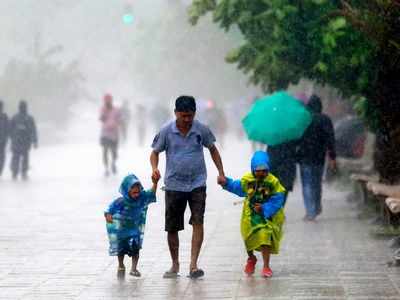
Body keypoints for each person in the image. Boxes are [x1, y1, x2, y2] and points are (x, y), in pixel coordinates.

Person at [150, 95, 225, 279]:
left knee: (198, 221)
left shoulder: (202, 130)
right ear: (175, 113)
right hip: (174, 184)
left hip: (197, 183)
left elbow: (213, 150)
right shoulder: (166, 131)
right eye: (183, 116)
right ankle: (175, 264)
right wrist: (154, 168)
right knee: (172, 227)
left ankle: (193, 264)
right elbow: (154, 153)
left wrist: (221, 172)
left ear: (194, 113)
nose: (186, 120)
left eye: (190, 116)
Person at [218, 151, 285, 278]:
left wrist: (265, 208)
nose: (261, 173)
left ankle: (266, 266)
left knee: (265, 237)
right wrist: (225, 182)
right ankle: (251, 258)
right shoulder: (247, 180)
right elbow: (236, 187)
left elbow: (278, 198)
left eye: (264, 170)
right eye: (258, 170)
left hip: (266, 217)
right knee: (248, 238)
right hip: (249, 217)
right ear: (253, 169)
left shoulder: (273, 182)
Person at [104, 173, 159, 277]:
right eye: (134, 192)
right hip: (122, 231)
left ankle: (133, 268)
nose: (136, 195)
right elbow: (109, 208)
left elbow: (151, 193)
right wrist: (108, 215)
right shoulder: (121, 201)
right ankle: (121, 265)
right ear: (126, 190)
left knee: (135, 248)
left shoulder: (141, 198)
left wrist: (155, 183)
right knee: (121, 250)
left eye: (138, 192)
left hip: (135, 230)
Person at [297, 94, 337, 221]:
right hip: (319, 158)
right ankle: (317, 206)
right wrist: (332, 156)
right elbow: (331, 139)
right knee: (316, 183)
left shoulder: (303, 119)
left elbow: (296, 138)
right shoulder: (325, 119)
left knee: (307, 185)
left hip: (304, 158)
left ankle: (310, 211)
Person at [9, 100, 38, 180]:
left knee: (21, 157)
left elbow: (33, 130)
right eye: (22, 107)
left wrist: (35, 141)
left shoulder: (27, 118)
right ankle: (16, 172)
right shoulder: (16, 118)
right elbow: (10, 129)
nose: (23, 108)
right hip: (19, 142)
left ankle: (21, 172)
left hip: (22, 142)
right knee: (18, 157)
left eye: (23, 107)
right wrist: (34, 141)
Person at [267, 140, 298, 205]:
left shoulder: (272, 140)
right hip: (287, 169)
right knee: (284, 190)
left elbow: (269, 158)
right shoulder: (291, 138)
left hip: (275, 169)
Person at [100, 93, 121, 176]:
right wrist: (104, 113)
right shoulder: (102, 109)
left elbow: (120, 119)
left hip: (114, 134)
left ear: (111, 101)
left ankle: (113, 163)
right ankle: (106, 168)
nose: (107, 102)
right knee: (105, 151)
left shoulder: (116, 110)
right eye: (106, 101)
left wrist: (116, 124)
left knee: (114, 152)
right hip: (105, 134)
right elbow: (101, 119)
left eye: (108, 100)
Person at [0, 100, 9, 177]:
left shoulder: (5, 117)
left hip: (2, 141)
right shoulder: (4, 117)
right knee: (2, 156)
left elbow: (8, 128)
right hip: (3, 140)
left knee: (2, 157)